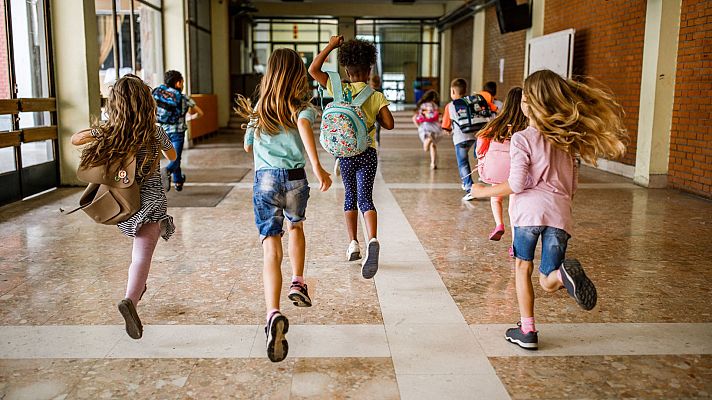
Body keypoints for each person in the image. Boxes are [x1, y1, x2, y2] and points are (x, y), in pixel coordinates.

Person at [470, 70, 628, 350]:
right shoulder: (567, 141)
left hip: (528, 215)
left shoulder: (522, 138)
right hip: (560, 215)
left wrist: (484, 191)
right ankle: (562, 276)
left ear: (528, 103)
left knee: (522, 267)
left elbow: (517, 184)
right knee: (547, 279)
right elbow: (573, 186)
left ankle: (528, 330)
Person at [235, 48, 332, 363]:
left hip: (264, 180)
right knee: (296, 227)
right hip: (295, 177)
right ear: (298, 75)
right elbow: (305, 129)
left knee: (270, 248)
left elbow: (248, 144)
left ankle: (272, 313)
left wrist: (256, 134)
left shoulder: (260, 109)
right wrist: (317, 166)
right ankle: (298, 282)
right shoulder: (304, 107)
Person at [71, 75, 177, 340]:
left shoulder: (111, 131)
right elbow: (172, 155)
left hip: (125, 202)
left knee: (136, 254)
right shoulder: (154, 130)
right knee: (142, 256)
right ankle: (130, 299)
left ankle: (136, 290)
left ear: (115, 104)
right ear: (146, 103)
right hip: (151, 201)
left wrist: (102, 130)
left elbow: (76, 139)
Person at [309, 36, 394, 277]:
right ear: (369, 69)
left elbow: (313, 69)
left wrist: (331, 46)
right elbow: (389, 124)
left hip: (344, 154)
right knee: (366, 198)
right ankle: (373, 239)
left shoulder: (337, 86)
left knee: (350, 196)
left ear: (346, 68)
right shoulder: (374, 95)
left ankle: (353, 243)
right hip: (367, 152)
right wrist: (371, 114)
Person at [475, 87, 528, 241]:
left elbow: (481, 141)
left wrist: (481, 156)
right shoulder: (525, 126)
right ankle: (515, 242)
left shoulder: (497, 123)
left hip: (497, 169)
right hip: (516, 170)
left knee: (495, 197)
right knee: (514, 203)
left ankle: (499, 225)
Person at [153, 70, 203, 192]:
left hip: (162, 131)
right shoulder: (184, 98)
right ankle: (167, 171)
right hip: (177, 132)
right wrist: (189, 118)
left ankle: (178, 181)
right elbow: (200, 113)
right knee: (175, 158)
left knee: (174, 158)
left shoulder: (159, 95)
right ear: (178, 83)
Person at [441, 78, 478, 201]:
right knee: (470, 158)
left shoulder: (450, 106)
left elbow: (445, 126)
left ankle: (469, 188)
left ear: (453, 91)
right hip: (473, 136)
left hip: (460, 138)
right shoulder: (470, 102)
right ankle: (468, 180)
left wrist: (448, 130)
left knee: (463, 163)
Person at [412, 89, 442, 169]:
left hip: (425, 126)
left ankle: (429, 138)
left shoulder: (423, 105)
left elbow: (415, 118)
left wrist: (419, 127)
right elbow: (438, 117)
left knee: (425, 148)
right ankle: (433, 163)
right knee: (433, 145)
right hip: (435, 127)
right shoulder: (435, 105)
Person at [370, 74, 384, 147]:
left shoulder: (368, 91)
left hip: (370, 112)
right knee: (377, 129)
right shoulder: (380, 92)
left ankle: (371, 143)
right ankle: (377, 143)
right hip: (378, 112)